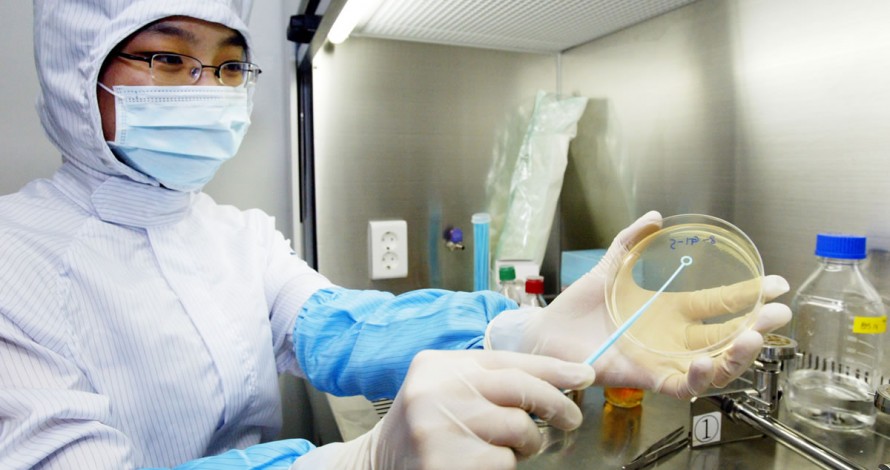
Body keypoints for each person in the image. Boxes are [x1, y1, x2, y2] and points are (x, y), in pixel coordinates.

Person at [0, 1, 791, 469]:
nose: (207, 90)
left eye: (230, 66)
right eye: (170, 59)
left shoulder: (234, 236)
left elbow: (342, 328)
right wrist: (359, 461)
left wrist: (530, 329)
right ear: (77, 69)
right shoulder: (15, 258)